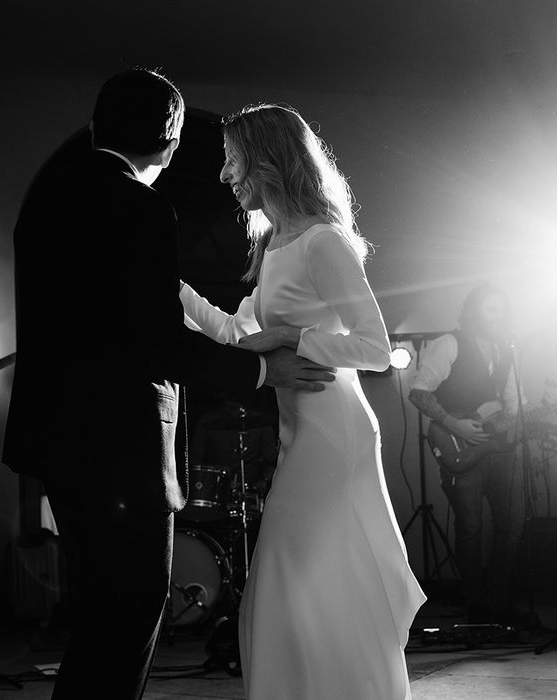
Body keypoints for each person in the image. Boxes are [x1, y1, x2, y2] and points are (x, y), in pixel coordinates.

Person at [1, 70, 335, 700]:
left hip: (55, 444)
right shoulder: (138, 204)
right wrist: (261, 371)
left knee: (96, 616)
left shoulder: (46, 203)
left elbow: (105, 321)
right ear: (172, 141)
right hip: (121, 450)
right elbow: (154, 342)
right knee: (129, 617)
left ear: (97, 126)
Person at [179, 104, 426, 700]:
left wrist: (292, 337)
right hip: (301, 433)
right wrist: (173, 288)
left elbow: (372, 348)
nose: (223, 176)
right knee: (299, 586)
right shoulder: (272, 244)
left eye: (232, 161)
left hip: (335, 432)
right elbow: (239, 335)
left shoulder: (322, 241)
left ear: (266, 160)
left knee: (290, 583)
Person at [408, 282, 527, 625]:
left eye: (502, 309)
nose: (498, 316)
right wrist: (454, 425)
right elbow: (418, 392)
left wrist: (517, 418)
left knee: (512, 522)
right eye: (491, 309)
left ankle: (498, 601)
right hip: (458, 445)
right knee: (471, 526)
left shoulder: (508, 349)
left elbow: (513, 403)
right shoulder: (450, 343)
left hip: (500, 448)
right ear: (475, 312)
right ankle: (476, 605)